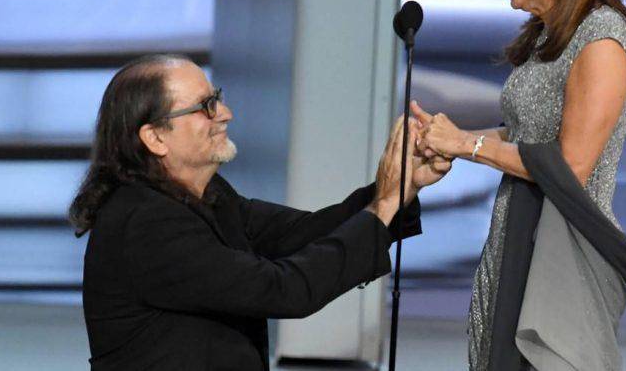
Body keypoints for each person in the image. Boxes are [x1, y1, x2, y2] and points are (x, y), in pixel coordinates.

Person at [69, 54, 452, 371]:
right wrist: (382, 205)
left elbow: (303, 233)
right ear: (155, 138)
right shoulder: (147, 225)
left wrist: (399, 190)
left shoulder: (206, 194)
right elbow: (283, 290)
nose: (226, 113)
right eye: (206, 107)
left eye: (216, 97)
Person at [410, 0, 626, 370]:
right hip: (514, 234)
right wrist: (447, 138)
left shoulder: (603, 38)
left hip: (564, 253)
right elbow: (525, 134)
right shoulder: (548, 34)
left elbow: (571, 164)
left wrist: (466, 145)